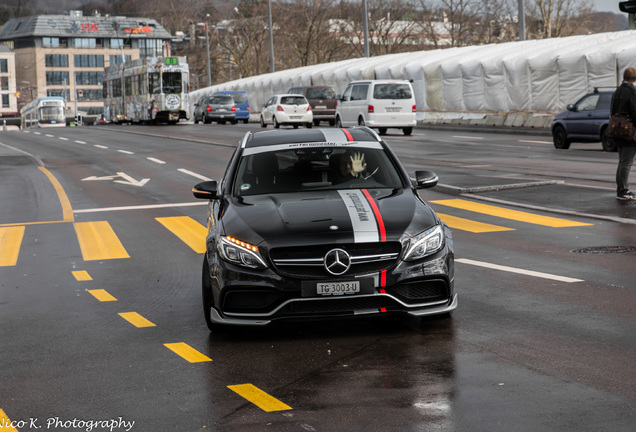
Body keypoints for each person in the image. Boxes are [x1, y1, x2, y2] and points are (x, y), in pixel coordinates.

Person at [610, 67, 636, 200]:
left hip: (617, 130)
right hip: (628, 131)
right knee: (626, 162)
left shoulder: (617, 91)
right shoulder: (631, 92)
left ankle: (621, 189)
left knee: (622, 161)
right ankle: (623, 191)